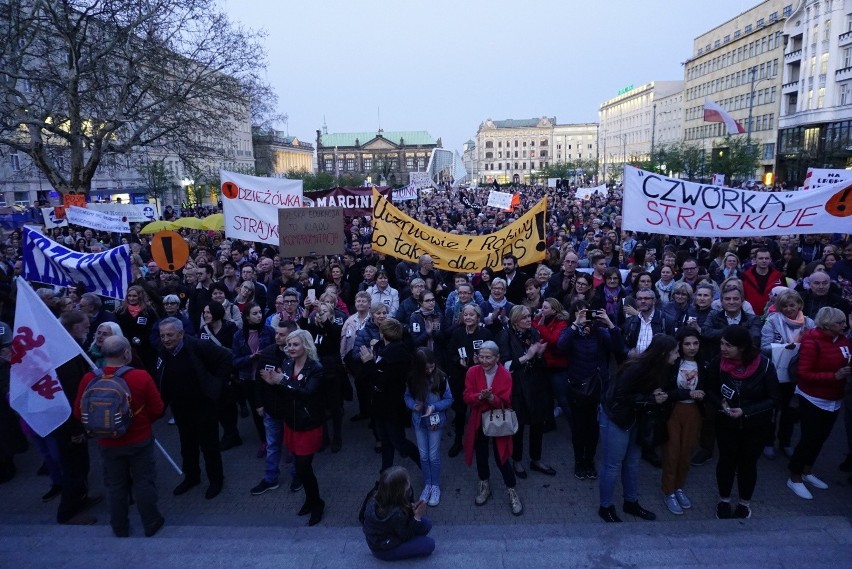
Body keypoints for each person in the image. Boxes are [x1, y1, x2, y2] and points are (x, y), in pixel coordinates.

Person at [73, 336, 165, 538]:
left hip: (107, 442)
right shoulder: (140, 377)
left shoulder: (90, 378)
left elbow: (79, 412)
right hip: (139, 438)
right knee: (143, 482)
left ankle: (119, 526)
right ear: (126, 353)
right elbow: (158, 409)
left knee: (115, 485)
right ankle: (151, 521)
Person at [598, 334, 679, 523]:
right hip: (616, 418)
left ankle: (631, 502)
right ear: (663, 354)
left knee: (632, 463)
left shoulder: (660, 368)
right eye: (675, 353)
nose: (677, 356)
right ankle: (605, 506)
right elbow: (619, 397)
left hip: (634, 419)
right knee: (612, 465)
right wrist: (651, 399)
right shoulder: (635, 367)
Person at [155, 317, 232, 500]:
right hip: (180, 407)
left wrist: (216, 385)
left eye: (170, 335)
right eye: (162, 335)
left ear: (181, 333)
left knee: (209, 446)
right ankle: (192, 477)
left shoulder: (198, 346)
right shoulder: (162, 351)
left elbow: (226, 357)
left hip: (203, 405)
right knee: (187, 445)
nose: (166, 339)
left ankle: (216, 480)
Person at [707, 326, 779, 520]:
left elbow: (774, 399)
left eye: (728, 345)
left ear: (742, 347)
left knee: (748, 464)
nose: (723, 348)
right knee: (726, 462)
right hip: (726, 424)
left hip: (755, 426)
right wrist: (720, 403)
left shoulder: (764, 365)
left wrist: (746, 411)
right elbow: (709, 389)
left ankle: (744, 503)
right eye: (721, 343)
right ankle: (724, 500)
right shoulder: (717, 363)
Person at [260, 329, 326, 525]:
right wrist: (274, 383)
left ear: (305, 345)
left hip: (308, 424)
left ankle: (317, 503)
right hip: (292, 422)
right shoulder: (287, 363)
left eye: (295, 344)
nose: (290, 348)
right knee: (300, 467)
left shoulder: (316, 368)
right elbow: (285, 392)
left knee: (305, 467)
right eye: (289, 345)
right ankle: (310, 499)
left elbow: (307, 393)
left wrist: (284, 381)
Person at [786, 307, 851, 500]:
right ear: (828, 324)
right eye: (839, 323)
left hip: (834, 399)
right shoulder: (812, 342)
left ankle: (808, 471)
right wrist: (834, 376)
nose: (844, 325)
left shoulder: (842, 340)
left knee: (821, 438)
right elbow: (803, 374)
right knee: (808, 439)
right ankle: (795, 477)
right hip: (813, 398)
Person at [558, 301, 623, 480]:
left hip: (597, 387)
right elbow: (561, 346)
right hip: (577, 386)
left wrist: (610, 324)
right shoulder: (570, 332)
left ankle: (589, 460)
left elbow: (618, 348)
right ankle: (579, 461)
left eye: (586, 312)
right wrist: (575, 325)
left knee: (593, 427)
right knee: (579, 427)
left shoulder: (600, 333)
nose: (584, 316)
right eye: (579, 313)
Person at [462, 341, 522, 516]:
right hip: (479, 419)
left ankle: (511, 490)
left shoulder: (505, 375)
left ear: (497, 358)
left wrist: (492, 398)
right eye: (481, 357)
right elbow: (466, 396)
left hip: (497, 419)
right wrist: (479, 396)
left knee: (501, 457)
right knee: (481, 454)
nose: (484, 361)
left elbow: (506, 401)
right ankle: (484, 485)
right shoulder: (472, 371)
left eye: (488, 357)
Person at [496, 305, 555, 479]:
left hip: (536, 385)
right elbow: (504, 366)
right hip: (517, 387)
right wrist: (527, 357)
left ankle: (536, 459)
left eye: (529, 316)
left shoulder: (534, 333)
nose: (529, 319)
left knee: (538, 423)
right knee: (519, 426)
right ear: (515, 321)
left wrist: (538, 355)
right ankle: (517, 460)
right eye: (524, 317)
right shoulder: (505, 335)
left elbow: (540, 362)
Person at [359, 318, 420, 473]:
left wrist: (368, 363)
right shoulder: (383, 348)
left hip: (392, 407)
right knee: (386, 440)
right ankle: (385, 471)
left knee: (398, 441)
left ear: (382, 333)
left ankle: (423, 464)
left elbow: (381, 382)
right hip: (380, 406)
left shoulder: (398, 355)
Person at [760, 289, 816, 460]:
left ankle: (785, 442)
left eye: (792, 305)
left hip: (797, 374)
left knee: (790, 410)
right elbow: (764, 347)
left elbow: (815, 344)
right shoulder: (772, 321)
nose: (789, 309)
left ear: (799, 304)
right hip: (775, 372)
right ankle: (768, 441)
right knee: (772, 409)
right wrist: (784, 347)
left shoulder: (809, 323)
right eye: (784, 306)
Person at [660, 328, 706, 515]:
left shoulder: (704, 364)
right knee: (672, 452)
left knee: (687, 451)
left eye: (695, 343)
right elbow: (664, 391)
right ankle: (668, 490)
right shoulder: (672, 364)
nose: (692, 347)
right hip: (673, 410)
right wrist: (688, 393)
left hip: (694, 411)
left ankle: (679, 487)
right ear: (680, 345)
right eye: (687, 343)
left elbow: (708, 389)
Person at [403, 348, 453, 507]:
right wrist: (413, 405)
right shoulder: (412, 378)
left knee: (433, 455)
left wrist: (435, 407)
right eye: (426, 368)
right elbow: (407, 396)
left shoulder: (441, 377)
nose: (430, 370)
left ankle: (435, 485)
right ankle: (428, 484)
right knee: (423, 456)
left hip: (435, 422)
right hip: (419, 421)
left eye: (432, 367)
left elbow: (449, 399)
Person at [446, 304, 493, 458]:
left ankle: (475, 440)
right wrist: (458, 361)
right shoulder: (458, 333)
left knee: (477, 411)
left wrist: (481, 361)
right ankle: (458, 440)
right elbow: (451, 352)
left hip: (480, 378)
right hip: (461, 377)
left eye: (471, 315)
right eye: (465, 315)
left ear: (478, 317)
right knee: (460, 412)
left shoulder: (485, 333)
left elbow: (492, 354)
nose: (468, 317)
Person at [362, 466, 435, 561]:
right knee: (429, 544)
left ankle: (414, 542)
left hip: (379, 538)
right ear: (400, 490)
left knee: (427, 524)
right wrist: (417, 516)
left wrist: (410, 507)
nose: (409, 482)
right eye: (407, 481)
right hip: (384, 549)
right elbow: (406, 536)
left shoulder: (376, 496)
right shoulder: (396, 514)